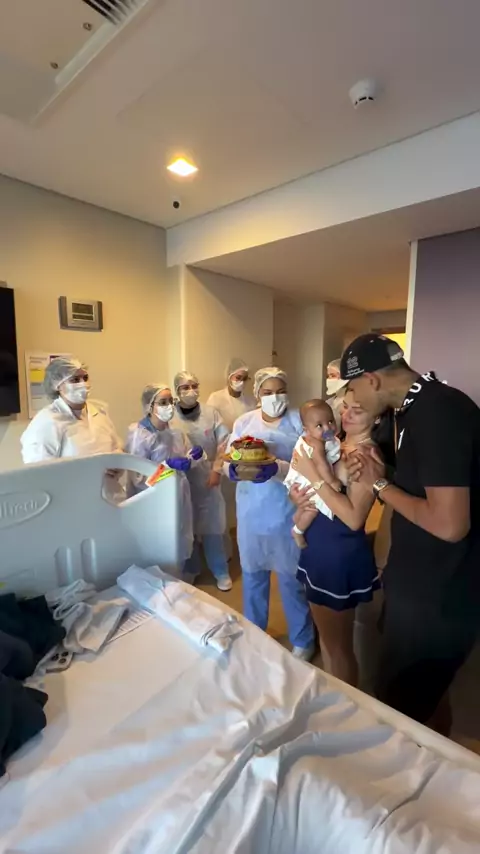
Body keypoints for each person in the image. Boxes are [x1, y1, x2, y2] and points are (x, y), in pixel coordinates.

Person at [340, 332, 480, 734]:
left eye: (352, 390)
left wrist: (381, 485)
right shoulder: (411, 409)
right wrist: (381, 471)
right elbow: (425, 484)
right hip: (419, 584)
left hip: (439, 596)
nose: (352, 401)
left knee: (399, 712)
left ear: (372, 379)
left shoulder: (439, 413)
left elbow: (450, 525)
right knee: (426, 701)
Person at [290, 391, 380, 685]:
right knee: (329, 643)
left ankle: (345, 704)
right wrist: (299, 496)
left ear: (377, 416)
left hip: (337, 555)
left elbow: (353, 519)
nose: (346, 414)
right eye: (346, 407)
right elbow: (309, 487)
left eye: (358, 410)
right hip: (320, 547)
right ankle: (335, 695)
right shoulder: (338, 444)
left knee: (337, 647)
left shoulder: (365, 456)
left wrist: (313, 477)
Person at [227, 367, 315, 660]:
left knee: (291, 580)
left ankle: (303, 639)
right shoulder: (244, 422)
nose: (274, 398)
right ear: (257, 394)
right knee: (253, 577)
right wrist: (232, 470)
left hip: (286, 512)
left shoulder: (299, 422)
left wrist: (278, 468)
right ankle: (255, 632)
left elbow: (311, 467)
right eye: (267, 392)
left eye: (280, 391)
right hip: (250, 513)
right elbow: (230, 458)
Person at [125, 383, 203, 569]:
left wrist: (195, 457)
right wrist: (168, 466)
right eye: (162, 402)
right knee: (159, 546)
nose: (169, 406)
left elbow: (185, 458)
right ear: (150, 406)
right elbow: (139, 480)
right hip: (153, 503)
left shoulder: (175, 431)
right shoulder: (140, 435)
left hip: (178, 495)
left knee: (180, 538)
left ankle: (179, 576)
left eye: (170, 401)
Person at [171, 371, 232, 591]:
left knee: (213, 526)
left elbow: (224, 442)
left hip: (207, 478)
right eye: (185, 387)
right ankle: (191, 569)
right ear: (177, 391)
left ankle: (220, 570)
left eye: (194, 385)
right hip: (181, 480)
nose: (190, 391)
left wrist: (216, 470)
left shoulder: (211, 413)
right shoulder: (170, 415)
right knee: (186, 526)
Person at [21, 357, 121, 463]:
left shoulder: (99, 411)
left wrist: (117, 463)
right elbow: (39, 467)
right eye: (75, 380)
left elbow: (116, 447)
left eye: (85, 378)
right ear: (58, 386)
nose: (83, 384)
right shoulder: (47, 421)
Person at [284, 399, 342, 548]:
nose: (327, 427)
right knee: (313, 508)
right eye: (319, 425)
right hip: (305, 476)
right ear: (306, 429)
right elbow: (322, 465)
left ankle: (297, 516)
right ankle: (298, 531)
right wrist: (332, 482)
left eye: (330, 421)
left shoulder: (322, 439)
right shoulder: (316, 444)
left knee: (306, 504)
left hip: (304, 474)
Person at [207, 357, 256, 432]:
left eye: (245, 378)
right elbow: (209, 424)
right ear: (229, 376)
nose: (242, 382)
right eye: (238, 377)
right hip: (222, 438)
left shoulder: (250, 401)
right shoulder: (215, 398)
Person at [326, 358, 348, 429]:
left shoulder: (350, 403)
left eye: (333, 375)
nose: (329, 379)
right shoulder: (330, 402)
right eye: (328, 376)